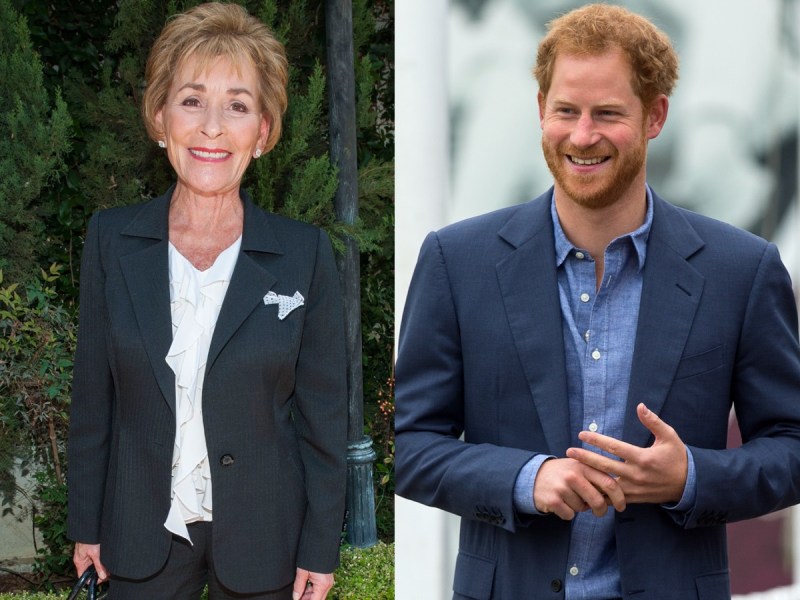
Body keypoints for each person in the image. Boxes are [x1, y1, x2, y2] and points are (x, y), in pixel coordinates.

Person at [394, 4, 800, 599]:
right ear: (541, 108)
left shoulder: (742, 269)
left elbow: (791, 448)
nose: (582, 136)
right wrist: (526, 479)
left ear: (655, 115)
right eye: (566, 111)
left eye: (607, 113)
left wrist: (689, 477)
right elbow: (408, 446)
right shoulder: (457, 262)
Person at [66, 4, 347, 599]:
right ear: (160, 117)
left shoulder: (305, 253)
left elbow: (324, 423)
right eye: (192, 100)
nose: (212, 127)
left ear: (263, 132)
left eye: (237, 106)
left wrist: (320, 548)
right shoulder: (110, 240)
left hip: (266, 539)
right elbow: (93, 400)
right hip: (138, 534)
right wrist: (86, 523)